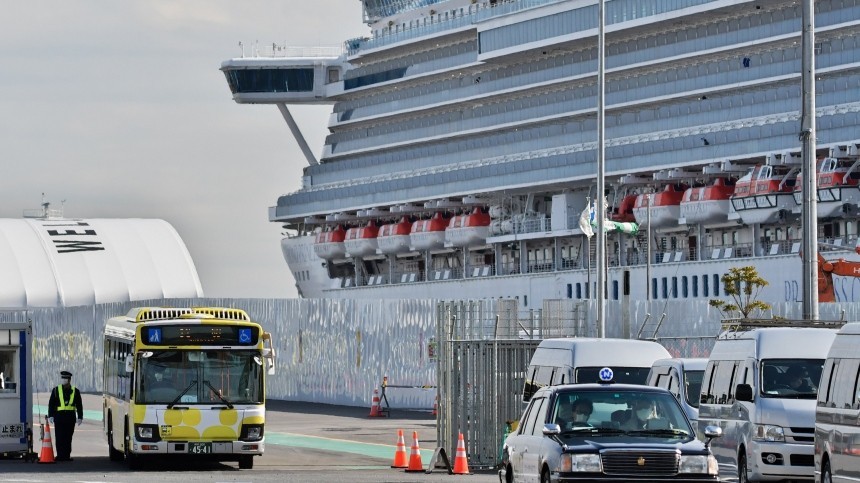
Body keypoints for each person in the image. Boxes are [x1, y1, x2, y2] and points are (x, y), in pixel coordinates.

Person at [48, 370, 83, 462]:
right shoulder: (56, 390)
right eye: (62, 378)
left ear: (69, 380)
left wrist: (80, 417)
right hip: (59, 417)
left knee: (68, 437)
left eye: (65, 378)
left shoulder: (75, 391)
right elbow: (51, 404)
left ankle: (66, 455)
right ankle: (60, 455)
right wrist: (50, 415)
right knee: (59, 437)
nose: (63, 380)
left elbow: (79, 405)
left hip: (70, 418)